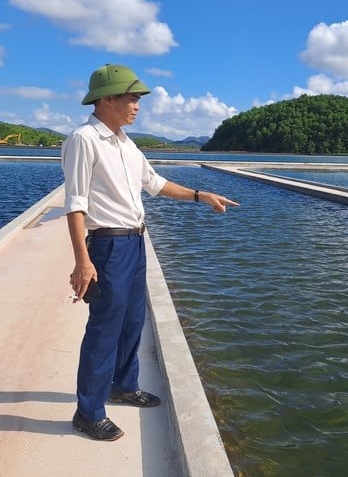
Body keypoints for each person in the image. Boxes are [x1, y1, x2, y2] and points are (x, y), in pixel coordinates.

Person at [61, 63, 239, 441]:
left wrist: (198, 195)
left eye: (138, 98)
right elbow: (75, 204)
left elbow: (154, 183)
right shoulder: (84, 140)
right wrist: (82, 260)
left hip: (135, 241)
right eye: (131, 97)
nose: (137, 104)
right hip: (107, 244)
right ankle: (88, 412)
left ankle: (122, 386)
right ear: (106, 99)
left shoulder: (126, 144)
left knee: (132, 323)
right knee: (104, 328)